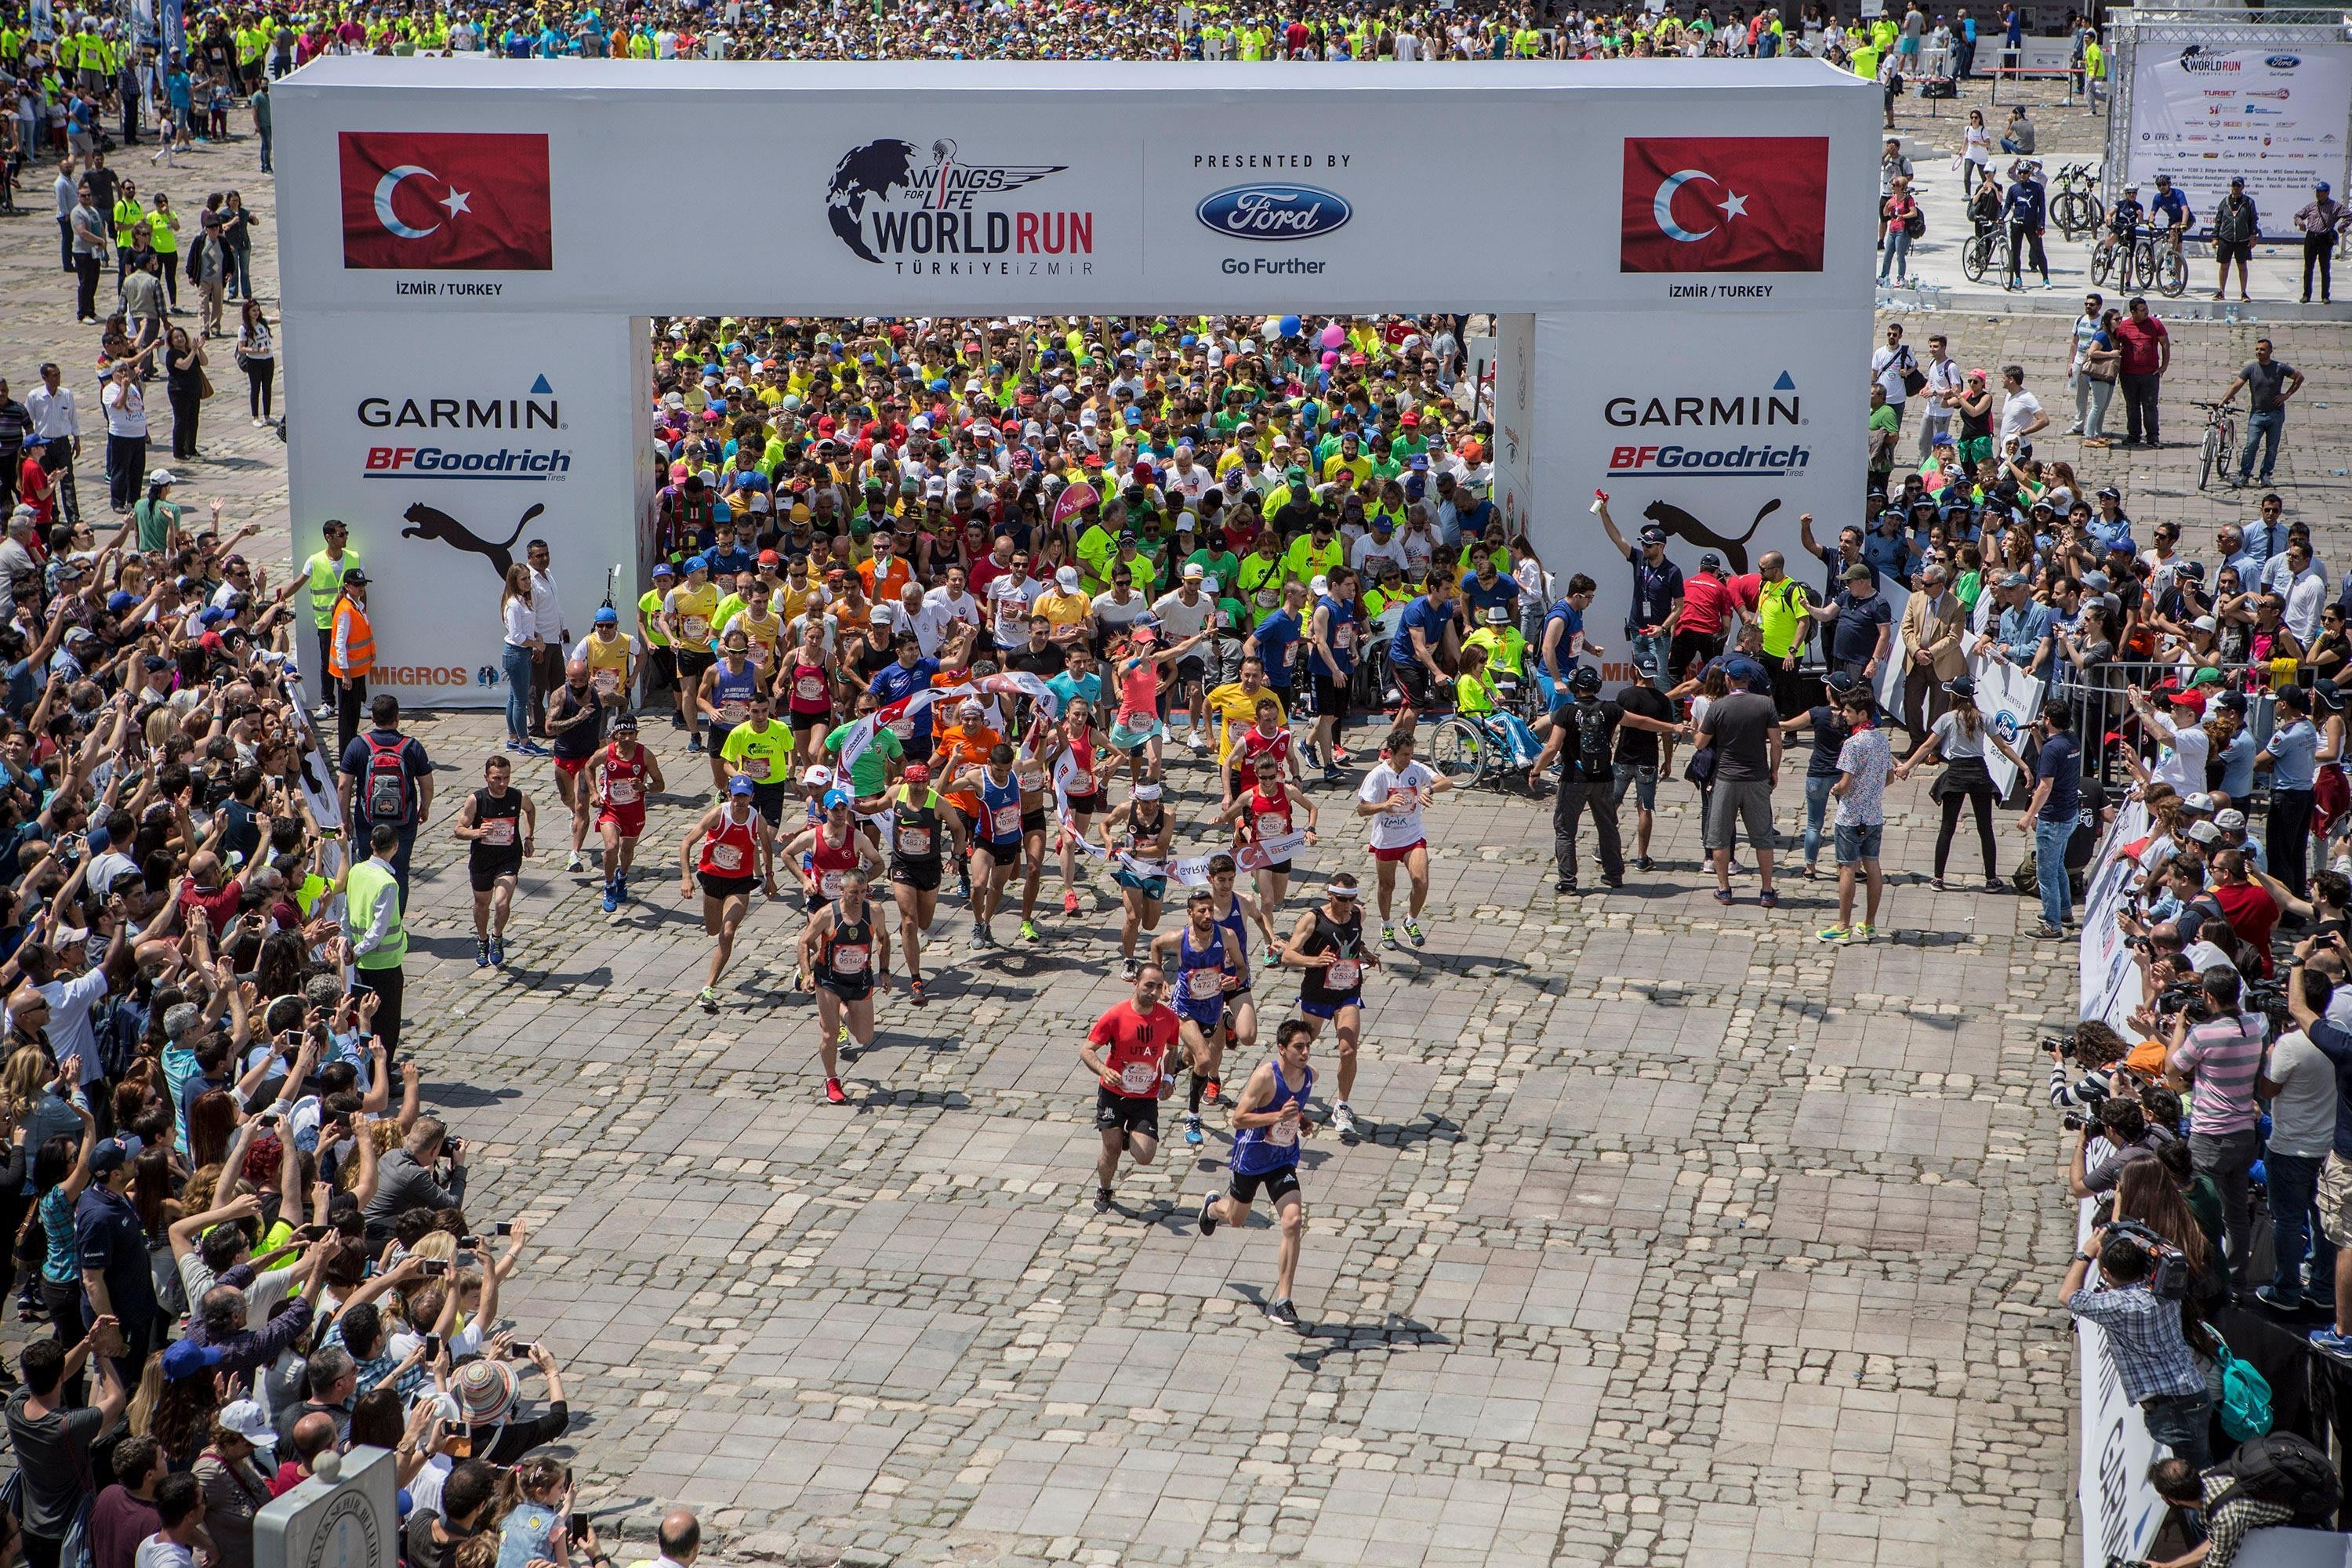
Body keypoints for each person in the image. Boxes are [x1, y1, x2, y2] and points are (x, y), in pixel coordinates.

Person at [1193, 1018, 1317, 1328]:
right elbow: (1237, 1119)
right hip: (1250, 1157)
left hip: (1282, 1158)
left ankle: (1284, 1301)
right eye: (1298, 1047)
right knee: (1236, 1219)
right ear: (1282, 1049)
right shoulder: (1265, 1076)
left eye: (1308, 1047)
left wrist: (1300, 1121)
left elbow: (1294, 1106)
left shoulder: (1310, 1076)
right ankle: (1212, 1207)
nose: (1305, 1053)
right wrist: (1278, 1115)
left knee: (1293, 1220)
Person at [2061, 1228, 2212, 1468]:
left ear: (2106, 1273)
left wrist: (2085, 1254)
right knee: (2190, 1473)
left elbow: (2068, 1296)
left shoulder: (2120, 1305)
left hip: (2174, 1407)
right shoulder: (2162, 1289)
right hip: (2185, 1398)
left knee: (2190, 1480)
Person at [8, 1318, 130, 1568]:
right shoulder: (69, 1426)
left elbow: (57, 1371)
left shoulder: (14, 1406)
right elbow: (117, 1399)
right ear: (61, 1375)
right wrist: (99, 1355)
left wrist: (87, 1341)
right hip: (67, 1533)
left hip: (30, 1527)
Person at [1082, 961, 1178, 1213]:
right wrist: (1104, 1070)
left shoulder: (1168, 1018)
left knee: (1145, 1156)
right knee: (1111, 1149)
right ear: (1135, 984)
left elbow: (1172, 1047)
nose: (1154, 993)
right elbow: (1087, 1050)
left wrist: (1168, 1078)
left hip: (1145, 1098)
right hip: (1113, 1095)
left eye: (1159, 987)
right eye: (1149, 986)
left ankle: (1127, 1136)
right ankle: (1104, 1188)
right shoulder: (1116, 1015)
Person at [1152, 888, 1240, 1151]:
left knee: (1192, 1060)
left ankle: (1171, 1069)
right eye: (1201, 910)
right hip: (1184, 1006)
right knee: (1204, 1059)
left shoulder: (1226, 936)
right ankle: (1192, 1117)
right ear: (1190, 914)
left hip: (1211, 1007)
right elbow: (1155, 944)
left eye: (1210, 909)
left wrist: (1234, 980)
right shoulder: (1181, 938)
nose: (1207, 915)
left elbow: (1242, 968)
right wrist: (1161, 980)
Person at [681, 775, 777, 1012]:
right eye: (737, 795)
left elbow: (766, 847)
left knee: (728, 931)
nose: (740, 801)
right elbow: (686, 843)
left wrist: (769, 878)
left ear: (752, 797)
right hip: (712, 878)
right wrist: (686, 877)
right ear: (730, 794)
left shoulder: (757, 820)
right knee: (713, 929)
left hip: (739, 883)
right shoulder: (718, 814)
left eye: (745, 796)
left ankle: (707, 988)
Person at [1355, 727, 1452, 948]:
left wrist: (1430, 790)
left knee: (1421, 881)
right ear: (1391, 753)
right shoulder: (1378, 775)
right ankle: (1387, 925)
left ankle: (1411, 921)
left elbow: (1447, 782)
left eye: (1411, 754)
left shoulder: (1416, 769)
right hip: (1386, 839)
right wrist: (1385, 805)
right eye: (1404, 755)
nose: (1409, 759)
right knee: (1387, 886)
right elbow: (1362, 809)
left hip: (1412, 836)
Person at [1697, 661, 1783, 907]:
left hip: (1726, 778)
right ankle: (1766, 890)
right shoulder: (1765, 704)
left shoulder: (1718, 707)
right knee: (1763, 837)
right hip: (1756, 778)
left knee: (1720, 835)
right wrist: (1774, 771)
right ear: (1748, 680)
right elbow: (1776, 742)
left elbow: (1701, 743)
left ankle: (1724, 888)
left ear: (1728, 680)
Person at [800, 866, 888, 1105]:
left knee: (864, 1036)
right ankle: (832, 1079)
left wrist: (884, 971)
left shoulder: (875, 912)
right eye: (853, 893)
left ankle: (841, 1009)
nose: (858, 897)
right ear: (841, 891)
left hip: (860, 980)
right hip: (829, 979)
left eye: (862, 891)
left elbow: (883, 938)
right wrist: (807, 974)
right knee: (830, 1034)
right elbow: (804, 942)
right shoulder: (827, 914)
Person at [340, 691, 431, 907]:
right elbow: (426, 784)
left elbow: (344, 786)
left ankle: (368, 917)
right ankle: (394, 923)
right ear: (397, 717)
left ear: (372, 718)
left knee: (366, 868)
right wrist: (424, 808)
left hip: (368, 820)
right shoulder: (412, 747)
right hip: (403, 820)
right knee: (399, 871)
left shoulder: (358, 745)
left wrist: (345, 817)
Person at [1819, 691, 1893, 943]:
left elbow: (1846, 784)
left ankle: (1843, 926)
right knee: (1872, 865)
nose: (1844, 714)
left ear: (1862, 713)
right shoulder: (1882, 740)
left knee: (1847, 867)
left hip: (1850, 816)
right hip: (1873, 815)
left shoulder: (1853, 744)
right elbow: (1890, 778)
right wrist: (1872, 787)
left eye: (1848, 711)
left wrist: (1836, 789)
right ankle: (1870, 924)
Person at [452, 753, 534, 969]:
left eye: (506, 777)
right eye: (497, 778)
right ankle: (482, 941)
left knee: (502, 902)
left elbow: (530, 809)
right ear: (486, 778)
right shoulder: (476, 800)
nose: (502, 783)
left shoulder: (517, 797)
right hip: (482, 860)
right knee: (482, 904)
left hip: (509, 858)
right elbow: (458, 830)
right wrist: (477, 832)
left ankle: (497, 937)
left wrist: (528, 837)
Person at [344, 822, 411, 1058]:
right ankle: (382, 1072)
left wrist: (350, 946)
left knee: (366, 1016)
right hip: (385, 963)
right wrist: (359, 950)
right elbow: (379, 929)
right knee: (387, 1024)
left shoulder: (356, 871)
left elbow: (347, 910)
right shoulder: (388, 883)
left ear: (371, 844)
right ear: (395, 847)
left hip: (361, 963)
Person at [2018, 699, 2082, 938]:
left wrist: (2028, 815)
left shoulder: (2054, 748)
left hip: (2053, 817)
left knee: (2045, 872)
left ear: (2048, 720)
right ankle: (2064, 911)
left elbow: (2045, 786)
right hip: (2068, 813)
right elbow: (2050, 756)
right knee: (2058, 866)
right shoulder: (2070, 742)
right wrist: (2038, 738)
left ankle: (2052, 925)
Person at [590, 712, 666, 911]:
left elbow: (660, 784)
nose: (627, 738)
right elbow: (589, 767)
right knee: (611, 847)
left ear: (637, 733)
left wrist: (645, 787)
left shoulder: (645, 755)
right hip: (611, 809)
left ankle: (622, 876)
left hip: (634, 811)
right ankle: (609, 886)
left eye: (631, 733)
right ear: (615, 734)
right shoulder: (607, 753)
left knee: (627, 850)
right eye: (623, 734)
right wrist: (594, 793)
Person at [2220, 339, 2303, 491]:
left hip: (2275, 414)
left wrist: (2287, 395)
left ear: (2270, 351)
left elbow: (2299, 377)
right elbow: (2237, 385)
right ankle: (2244, 475)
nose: (2259, 352)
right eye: (2257, 349)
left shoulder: (2279, 367)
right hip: (2257, 414)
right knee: (2251, 445)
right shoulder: (2251, 368)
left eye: (2263, 350)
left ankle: (2265, 475)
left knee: (2272, 446)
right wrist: (2223, 400)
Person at [325, 567, 374, 757]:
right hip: (348, 673)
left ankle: (351, 750)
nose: (361, 587)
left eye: (363, 584)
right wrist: (345, 673)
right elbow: (340, 643)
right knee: (347, 717)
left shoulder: (356, 605)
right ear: (347, 586)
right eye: (357, 584)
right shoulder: (346, 609)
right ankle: (347, 754)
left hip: (357, 670)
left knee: (353, 714)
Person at [2115, 296, 2171, 449]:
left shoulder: (2155, 324)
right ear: (2133, 312)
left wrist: (2164, 365)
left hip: (2150, 374)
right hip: (2128, 374)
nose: (2146, 312)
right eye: (2142, 310)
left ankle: (2153, 437)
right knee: (2132, 406)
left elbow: (2165, 344)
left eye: (2147, 309)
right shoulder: (2124, 326)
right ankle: (2134, 435)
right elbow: (2113, 343)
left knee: (2150, 406)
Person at [2211, 175, 2259, 303]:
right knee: (2224, 266)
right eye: (2234, 185)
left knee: (2242, 266)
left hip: (2242, 240)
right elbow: (2218, 220)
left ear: (2243, 187)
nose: (2236, 188)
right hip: (2226, 238)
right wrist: (2215, 237)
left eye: (2239, 186)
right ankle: (2221, 292)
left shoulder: (2248, 202)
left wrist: (2253, 236)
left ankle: (2244, 293)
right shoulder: (2225, 201)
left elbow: (2253, 220)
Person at [2297, 180, 2343, 304]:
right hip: (2312, 237)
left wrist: (2342, 226)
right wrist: (2300, 222)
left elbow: (2349, 215)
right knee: (2308, 268)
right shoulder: (2312, 206)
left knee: (2325, 268)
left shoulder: (2335, 206)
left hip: (2325, 237)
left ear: (2327, 193)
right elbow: (2298, 215)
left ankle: (2325, 296)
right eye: (2317, 191)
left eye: (2321, 192)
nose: (2318, 194)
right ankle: (2306, 295)